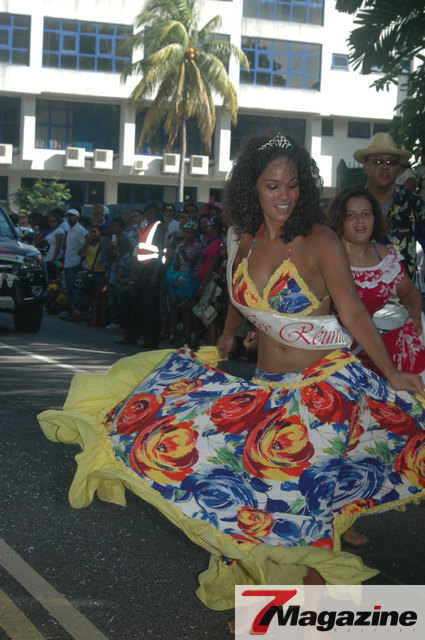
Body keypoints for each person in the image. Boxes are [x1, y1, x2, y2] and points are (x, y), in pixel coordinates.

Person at [38, 133, 425, 615]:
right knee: (255, 505)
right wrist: (226, 336)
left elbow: (352, 311)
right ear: (251, 188)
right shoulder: (245, 241)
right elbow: (239, 302)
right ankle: (283, 610)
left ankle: (314, 615)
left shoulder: (320, 239)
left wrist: (391, 372)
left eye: (292, 185)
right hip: (265, 390)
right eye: (272, 186)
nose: (284, 196)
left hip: (321, 394)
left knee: (301, 512)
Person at [327, 185, 425, 377]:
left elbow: (409, 292)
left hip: (371, 348)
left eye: (366, 214)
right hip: (329, 353)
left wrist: (414, 314)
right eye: (351, 215)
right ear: (340, 220)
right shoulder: (327, 257)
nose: (360, 221)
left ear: (375, 218)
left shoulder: (384, 257)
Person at [353, 132, 425, 282]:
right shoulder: (351, 205)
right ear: (365, 167)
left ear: (398, 168)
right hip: (359, 293)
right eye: (378, 161)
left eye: (392, 162)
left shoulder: (414, 204)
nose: (385, 166)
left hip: (405, 294)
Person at [116, 202, 165, 347]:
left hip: (152, 268)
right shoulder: (143, 229)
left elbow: (160, 251)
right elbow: (139, 252)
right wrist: (133, 276)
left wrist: (155, 274)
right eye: (147, 212)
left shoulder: (158, 227)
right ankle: (132, 336)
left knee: (150, 307)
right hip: (142, 268)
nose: (149, 214)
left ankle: (150, 340)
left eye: (152, 212)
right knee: (136, 304)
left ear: (156, 214)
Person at [62, 208, 88, 320]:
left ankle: (77, 313)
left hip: (76, 264)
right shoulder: (70, 229)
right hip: (68, 263)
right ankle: (72, 312)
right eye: (68, 216)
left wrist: (80, 262)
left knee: (76, 291)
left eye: (72, 216)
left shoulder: (80, 230)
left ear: (77, 217)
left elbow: (86, 246)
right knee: (69, 291)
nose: (70, 218)